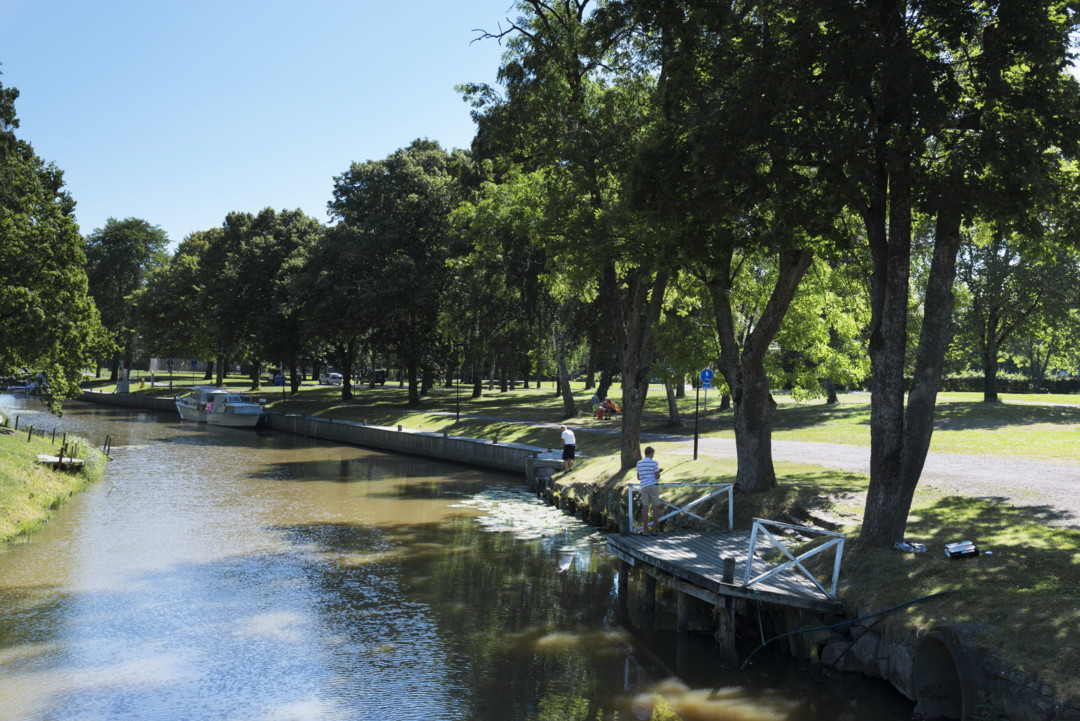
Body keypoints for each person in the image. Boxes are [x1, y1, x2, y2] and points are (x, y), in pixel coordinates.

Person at [636, 446, 662, 535]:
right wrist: (658, 472)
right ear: (650, 453)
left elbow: (638, 477)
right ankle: (654, 531)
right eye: (652, 454)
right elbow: (657, 476)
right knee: (655, 508)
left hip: (644, 487)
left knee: (645, 509)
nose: (653, 456)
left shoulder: (639, 463)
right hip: (653, 486)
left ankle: (645, 531)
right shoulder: (654, 463)